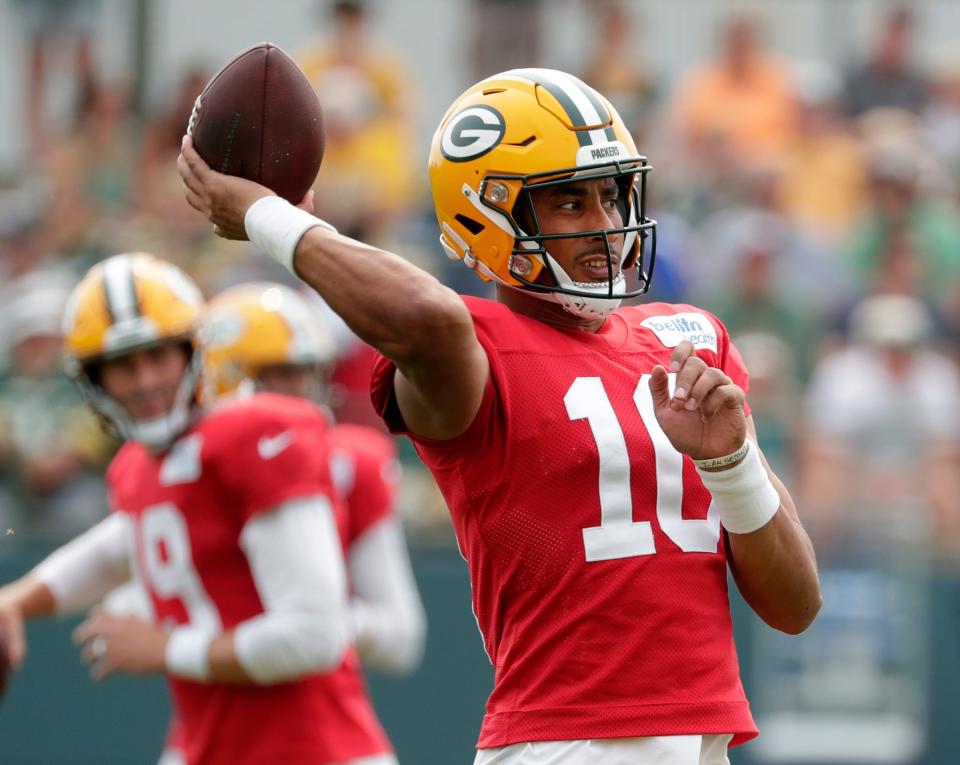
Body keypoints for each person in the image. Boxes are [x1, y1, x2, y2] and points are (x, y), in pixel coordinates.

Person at [179, 67, 821, 764]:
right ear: (486, 220)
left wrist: (730, 463)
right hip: (569, 741)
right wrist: (276, 220)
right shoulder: (475, 351)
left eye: (610, 195)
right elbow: (427, 316)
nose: (606, 225)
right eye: (569, 204)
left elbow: (795, 605)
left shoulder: (690, 338)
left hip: (704, 738)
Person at [0, 253, 392, 765]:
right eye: (121, 365)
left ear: (193, 351)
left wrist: (165, 648)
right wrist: (15, 601)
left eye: (157, 356)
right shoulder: (142, 466)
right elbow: (118, 544)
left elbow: (316, 635)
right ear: (94, 381)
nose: (143, 381)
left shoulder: (251, 434)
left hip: (317, 752)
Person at [202, 280, 426, 674]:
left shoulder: (351, 463)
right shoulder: (190, 466)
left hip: (317, 707)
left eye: (309, 373)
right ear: (225, 375)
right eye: (283, 374)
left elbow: (401, 637)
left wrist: (314, 618)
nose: (302, 391)